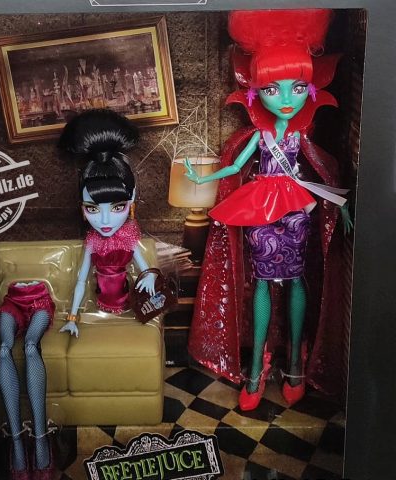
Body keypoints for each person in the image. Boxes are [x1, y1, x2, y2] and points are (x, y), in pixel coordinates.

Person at [185, 9, 352, 411]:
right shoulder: (259, 135)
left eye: (298, 87)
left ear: (311, 88)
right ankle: (257, 366)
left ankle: (295, 360)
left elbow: (321, 170)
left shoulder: (301, 136)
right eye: (273, 89)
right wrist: (203, 177)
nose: (287, 99)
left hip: (296, 214)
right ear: (255, 90)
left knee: (295, 280)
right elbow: (235, 167)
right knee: (262, 281)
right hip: (261, 213)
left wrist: (341, 206)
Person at [58, 109, 156, 336]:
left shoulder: (127, 237)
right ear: (81, 206)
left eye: (117, 207)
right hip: (100, 301)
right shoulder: (93, 241)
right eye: (92, 208)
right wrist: (72, 318)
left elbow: (145, 267)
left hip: (127, 301)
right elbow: (81, 280)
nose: (104, 221)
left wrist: (150, 276)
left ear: (132, 198)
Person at [0, 281, 56, 480]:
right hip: (12, 300)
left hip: (40, 297)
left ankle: (40, 439)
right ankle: (17, 442)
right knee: (3, 350)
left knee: (30, 346)